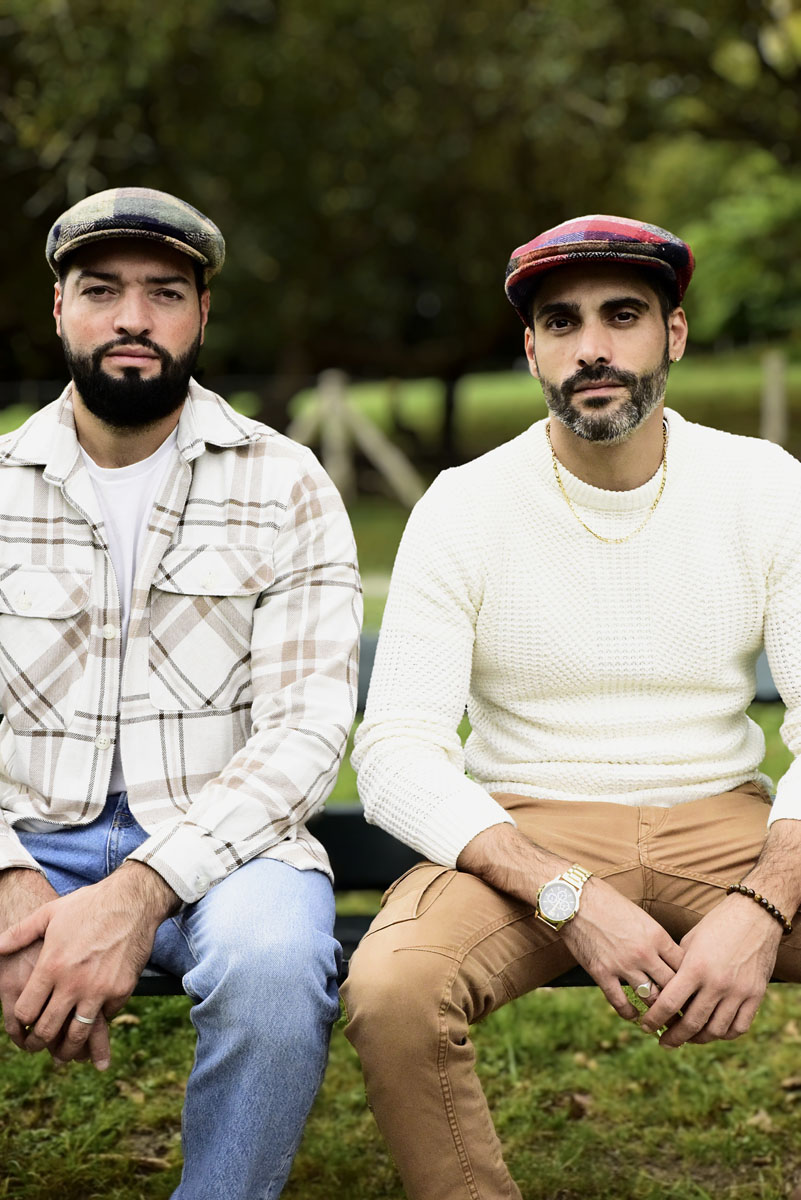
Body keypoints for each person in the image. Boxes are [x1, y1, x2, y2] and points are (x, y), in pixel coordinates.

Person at [342, 215, 801, 1200]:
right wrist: (567, 893)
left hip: (724, 819)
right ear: (533, 349)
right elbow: (396, 750)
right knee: (393, 990)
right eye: (562, 321)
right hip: (530, 830)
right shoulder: (464, 506)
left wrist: (764, 904)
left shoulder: (764, 487)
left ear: (673, 334)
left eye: (623, 314)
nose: (593, 345)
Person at [0, 187, 362, 1198]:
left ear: (201, 314)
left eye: (165, 293)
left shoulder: (286, 485)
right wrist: (10, 884)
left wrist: (141, 889)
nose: (132, 319)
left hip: (229, 844)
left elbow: (306, 729)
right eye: (102, 290)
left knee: (276, 972)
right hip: (28, 839)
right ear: (60, 307)